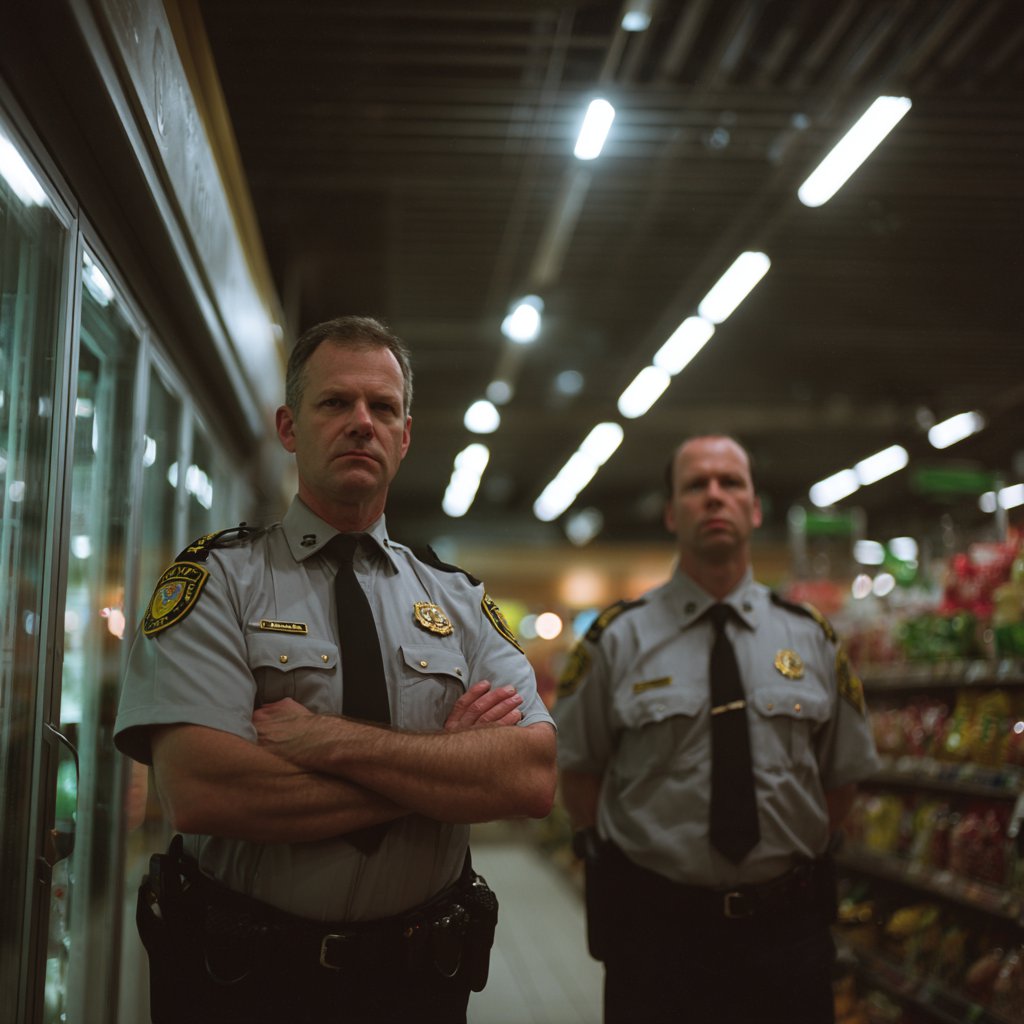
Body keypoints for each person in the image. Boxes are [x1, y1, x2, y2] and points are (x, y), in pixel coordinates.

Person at [114, 315, 556, 1024]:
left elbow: (530, 776)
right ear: (290, 427)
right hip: (245, 983)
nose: (361, 422)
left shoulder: (459, 600)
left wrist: (329, 742)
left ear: (405, 436)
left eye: (382, 408)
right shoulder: (218, 580)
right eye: (335, 403)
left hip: (418, 985)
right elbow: (202, 789)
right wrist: (445, 770)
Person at [553, 434, 879, 1024]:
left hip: (788, 938)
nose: (714, 496)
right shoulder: (617, 640)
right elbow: (581, 776)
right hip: (657, 940)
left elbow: (839, 780)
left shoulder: (810, 638)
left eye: (731, 483)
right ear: (672, 513)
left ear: (754, 509)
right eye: (696, 485)